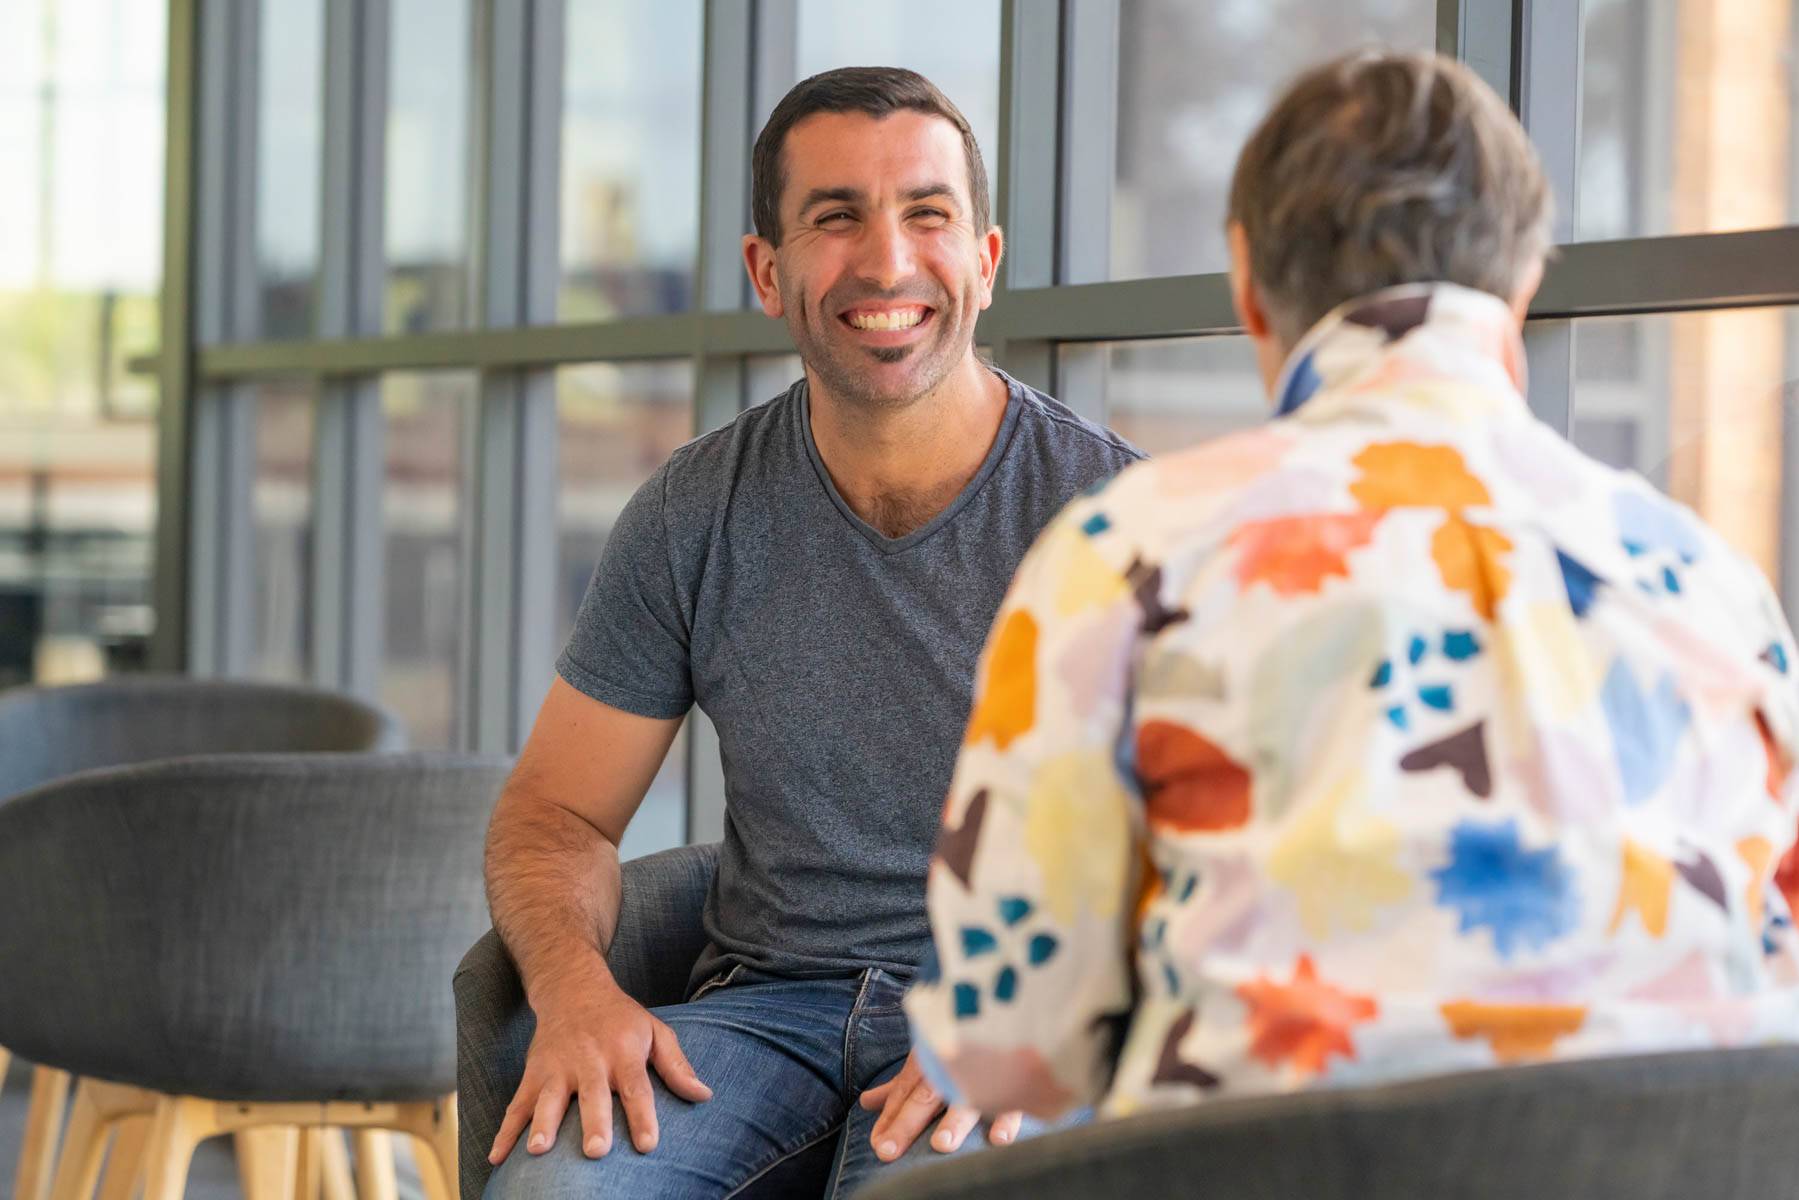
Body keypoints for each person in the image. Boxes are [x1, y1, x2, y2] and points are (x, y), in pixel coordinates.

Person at [905, 49, 1799, 1120]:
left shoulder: (1129, 553)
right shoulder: (1707, 579)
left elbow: (1013, 1049)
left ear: (1245, 282)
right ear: (1521, 282)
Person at [481, 66, 1141, 1198]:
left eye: (926, 215)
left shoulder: (1115, 519)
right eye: (835, 218)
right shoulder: (693, 512)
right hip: (759, 1016)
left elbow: (1205, 851)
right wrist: (578, 993)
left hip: (1007, 1010)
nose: (885, 263)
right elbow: (554, 815)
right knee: (556, 1189)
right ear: (766, 270)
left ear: (983, 262)